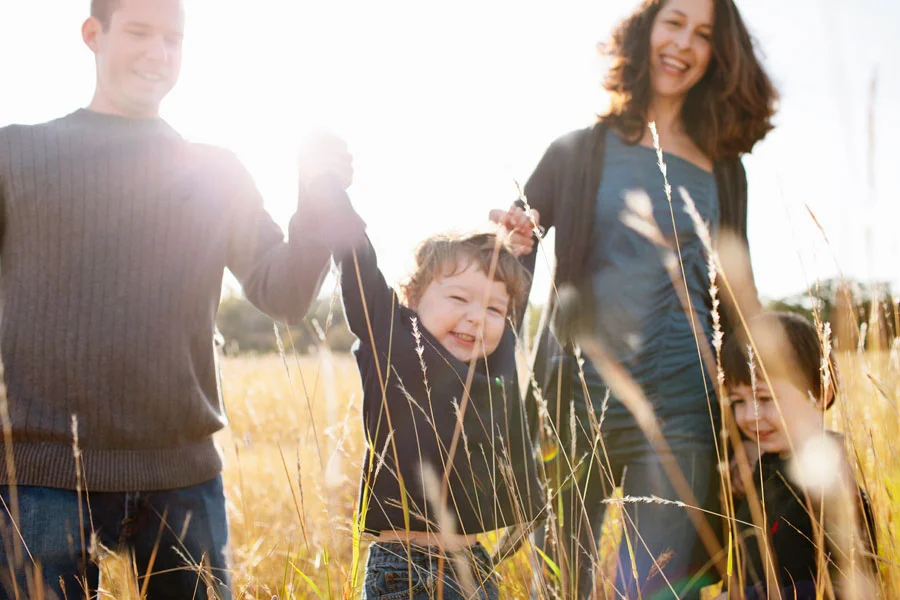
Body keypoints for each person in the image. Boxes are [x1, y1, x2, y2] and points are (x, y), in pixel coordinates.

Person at [0, 0, 356, 597]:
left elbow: (285, 293)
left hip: (182, 476)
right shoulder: (16, 155)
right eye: (139, 32)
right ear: (94, 34)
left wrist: (318, 197)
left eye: (173, 38)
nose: (158, 53)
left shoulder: (216, 171)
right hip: (41, 476)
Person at [491, 0, 778, 597]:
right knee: (560, 584)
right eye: (674, 22)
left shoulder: (725, 169)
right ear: (646, 30)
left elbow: (735, 293)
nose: (684, 44)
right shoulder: (577, 150)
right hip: (575, 402)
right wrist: (513, 240)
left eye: (704, 34)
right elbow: (510, 257)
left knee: (655, 588)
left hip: (684, 408)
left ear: (718, 54)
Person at [333, 195, 544, 599]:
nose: (477, 317)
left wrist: (514, 245)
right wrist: (328, 185)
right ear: (412, 298)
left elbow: (510, 291)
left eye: (493, 310)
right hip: (405, 571)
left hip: (475, 569)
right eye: (459, 299)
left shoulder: (490, 363)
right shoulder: (393, 342)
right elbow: (355, 259)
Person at [720, 312, 878, 599]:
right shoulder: (766, 465)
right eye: (738, 401)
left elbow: (850, 583)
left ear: (821, 392)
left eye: (765, 399)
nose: (748, 416)